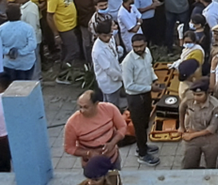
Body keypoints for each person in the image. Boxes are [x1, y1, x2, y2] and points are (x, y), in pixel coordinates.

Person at [120, 34, 162, 166]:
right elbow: (129, 86)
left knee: (145, 122)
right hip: (135, 98)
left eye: (141, 46)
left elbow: (149, 68)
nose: (138, 49)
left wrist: (154, 79)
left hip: (146, 94)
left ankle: (142, 144)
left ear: (146, 44)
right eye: (135, 47)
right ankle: (142, 154)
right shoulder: (128, 62)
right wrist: (150, 87)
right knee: (138, 125)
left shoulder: (147, 53)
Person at [65, 89, 127, 168]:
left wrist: (112, 143)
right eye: (80, 107)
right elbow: (69, 148)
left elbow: (122, 127)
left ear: (96, 104)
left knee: (114, 179)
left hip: (113, 159)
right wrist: (88, 153)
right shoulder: (72, 123)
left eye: (86, 107)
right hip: (91, 164)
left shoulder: (109, 109)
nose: (82, 111)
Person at [180, 79, 218, 169]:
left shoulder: (215, 105)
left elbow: (212, 128)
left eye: (199, 95)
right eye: (194, 94)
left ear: (207, 93)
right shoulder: (189, 97)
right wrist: (181, 126)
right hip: (192, 134)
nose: (196, 97)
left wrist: (192, 135)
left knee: (211, 166)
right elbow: (182, 107)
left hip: (209, 139)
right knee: (189, 164)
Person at [0, 4, 38, 81]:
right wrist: (20, 52)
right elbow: (32, 45)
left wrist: (9, 51)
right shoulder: (28, 28)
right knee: (25, 87)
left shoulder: (0, 29)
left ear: (6, 15)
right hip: (26, 63)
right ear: (20, 15)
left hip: (9, 64)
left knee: (9, 87)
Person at [91, 20, 124, 106]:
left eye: (109, 35)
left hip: (116, 76)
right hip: (109, 82)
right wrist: (123, 77)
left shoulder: (110, 38)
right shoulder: (98, 50)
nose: (107, 38)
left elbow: (114, 53)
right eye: (104, 36)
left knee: (113, 102)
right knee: (111, 105)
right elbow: (109, 70)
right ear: (98, 35)